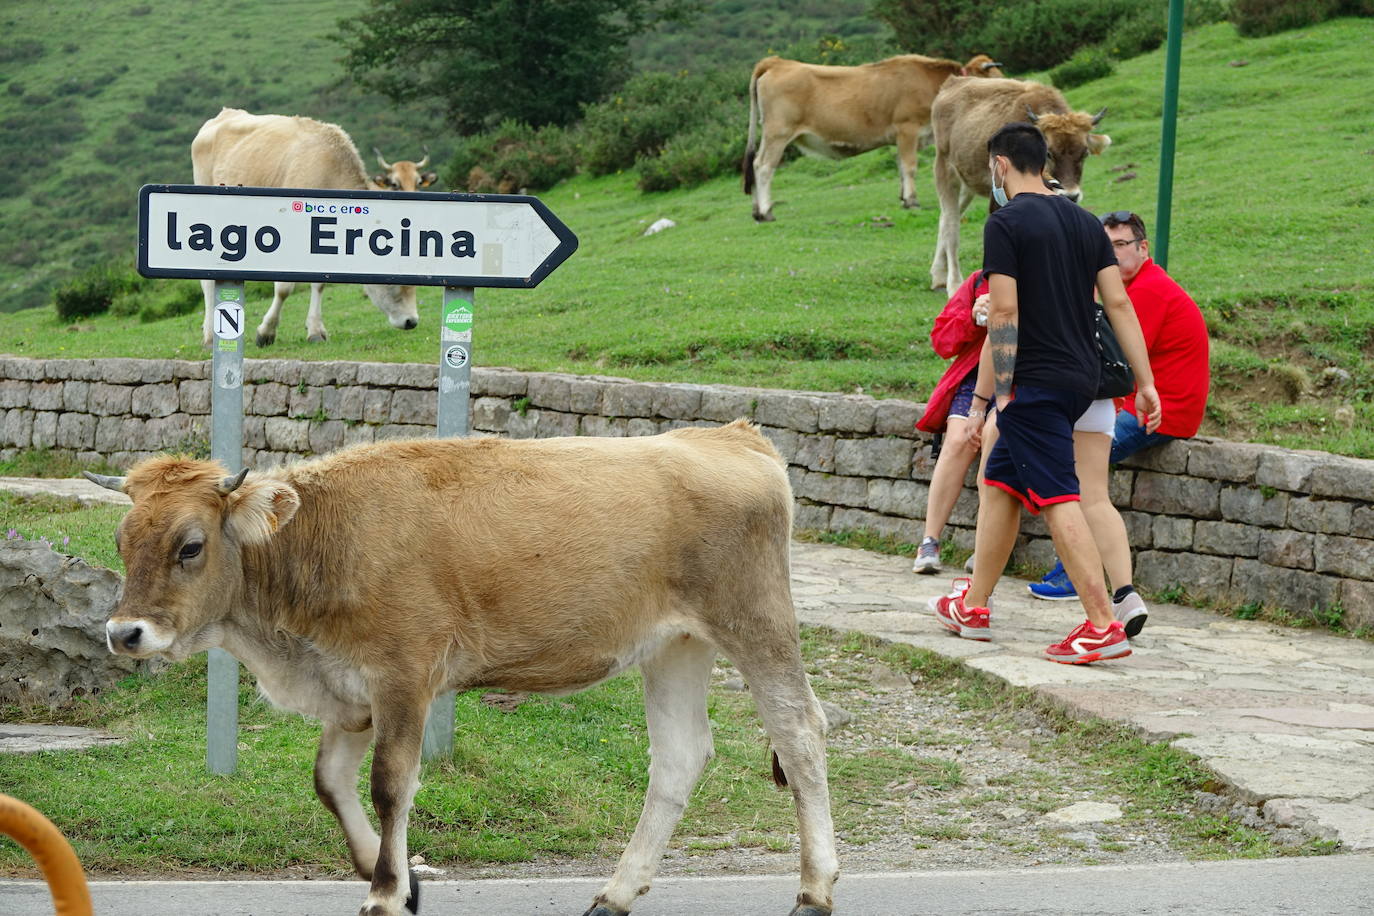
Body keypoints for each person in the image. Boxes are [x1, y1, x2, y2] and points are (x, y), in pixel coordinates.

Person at [929, 122, 1160, 665]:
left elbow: (1003, 311)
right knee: (1001, 480)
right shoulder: (1085, 223)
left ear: (1001, 165)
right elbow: (1119, 305)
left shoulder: (1005, 223)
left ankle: (1103, 625)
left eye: (993, 170)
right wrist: (1145, 381)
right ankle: (975, 606)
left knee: (1059, 496)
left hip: (1033, 380)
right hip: (1081, 377)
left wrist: (1003, 394)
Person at [1030, 210, 1210, 607]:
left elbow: (1116, 362)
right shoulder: (1124, 289)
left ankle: (1073, 575)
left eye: (1120, 245)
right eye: (1104, 246)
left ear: (1143, 248)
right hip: (1139, 401)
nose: (1110, 254)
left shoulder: (1148, 292)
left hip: (1162, 410)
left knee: (1075, 469)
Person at [912, 271, 992, 574]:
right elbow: (942, 341)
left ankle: (987, 546)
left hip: (1021, 378)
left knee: (996, 444)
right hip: (974, 378)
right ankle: (929, 541)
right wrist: (972, 317)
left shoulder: (1045, 278)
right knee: (957, 440)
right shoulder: (977, 283)